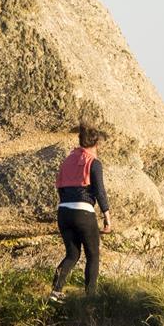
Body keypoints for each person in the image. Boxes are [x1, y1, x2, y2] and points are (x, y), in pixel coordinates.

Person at [50, 123, 108, 297]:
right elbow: (99, 191)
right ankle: (90, 296)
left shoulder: (67, 160)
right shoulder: (94, 163)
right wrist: (107, 216)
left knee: (72, 254)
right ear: (96, 144)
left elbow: (59, 187)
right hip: (83, 212)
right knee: (92, 255)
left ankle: (55, 292)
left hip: (63, 212)